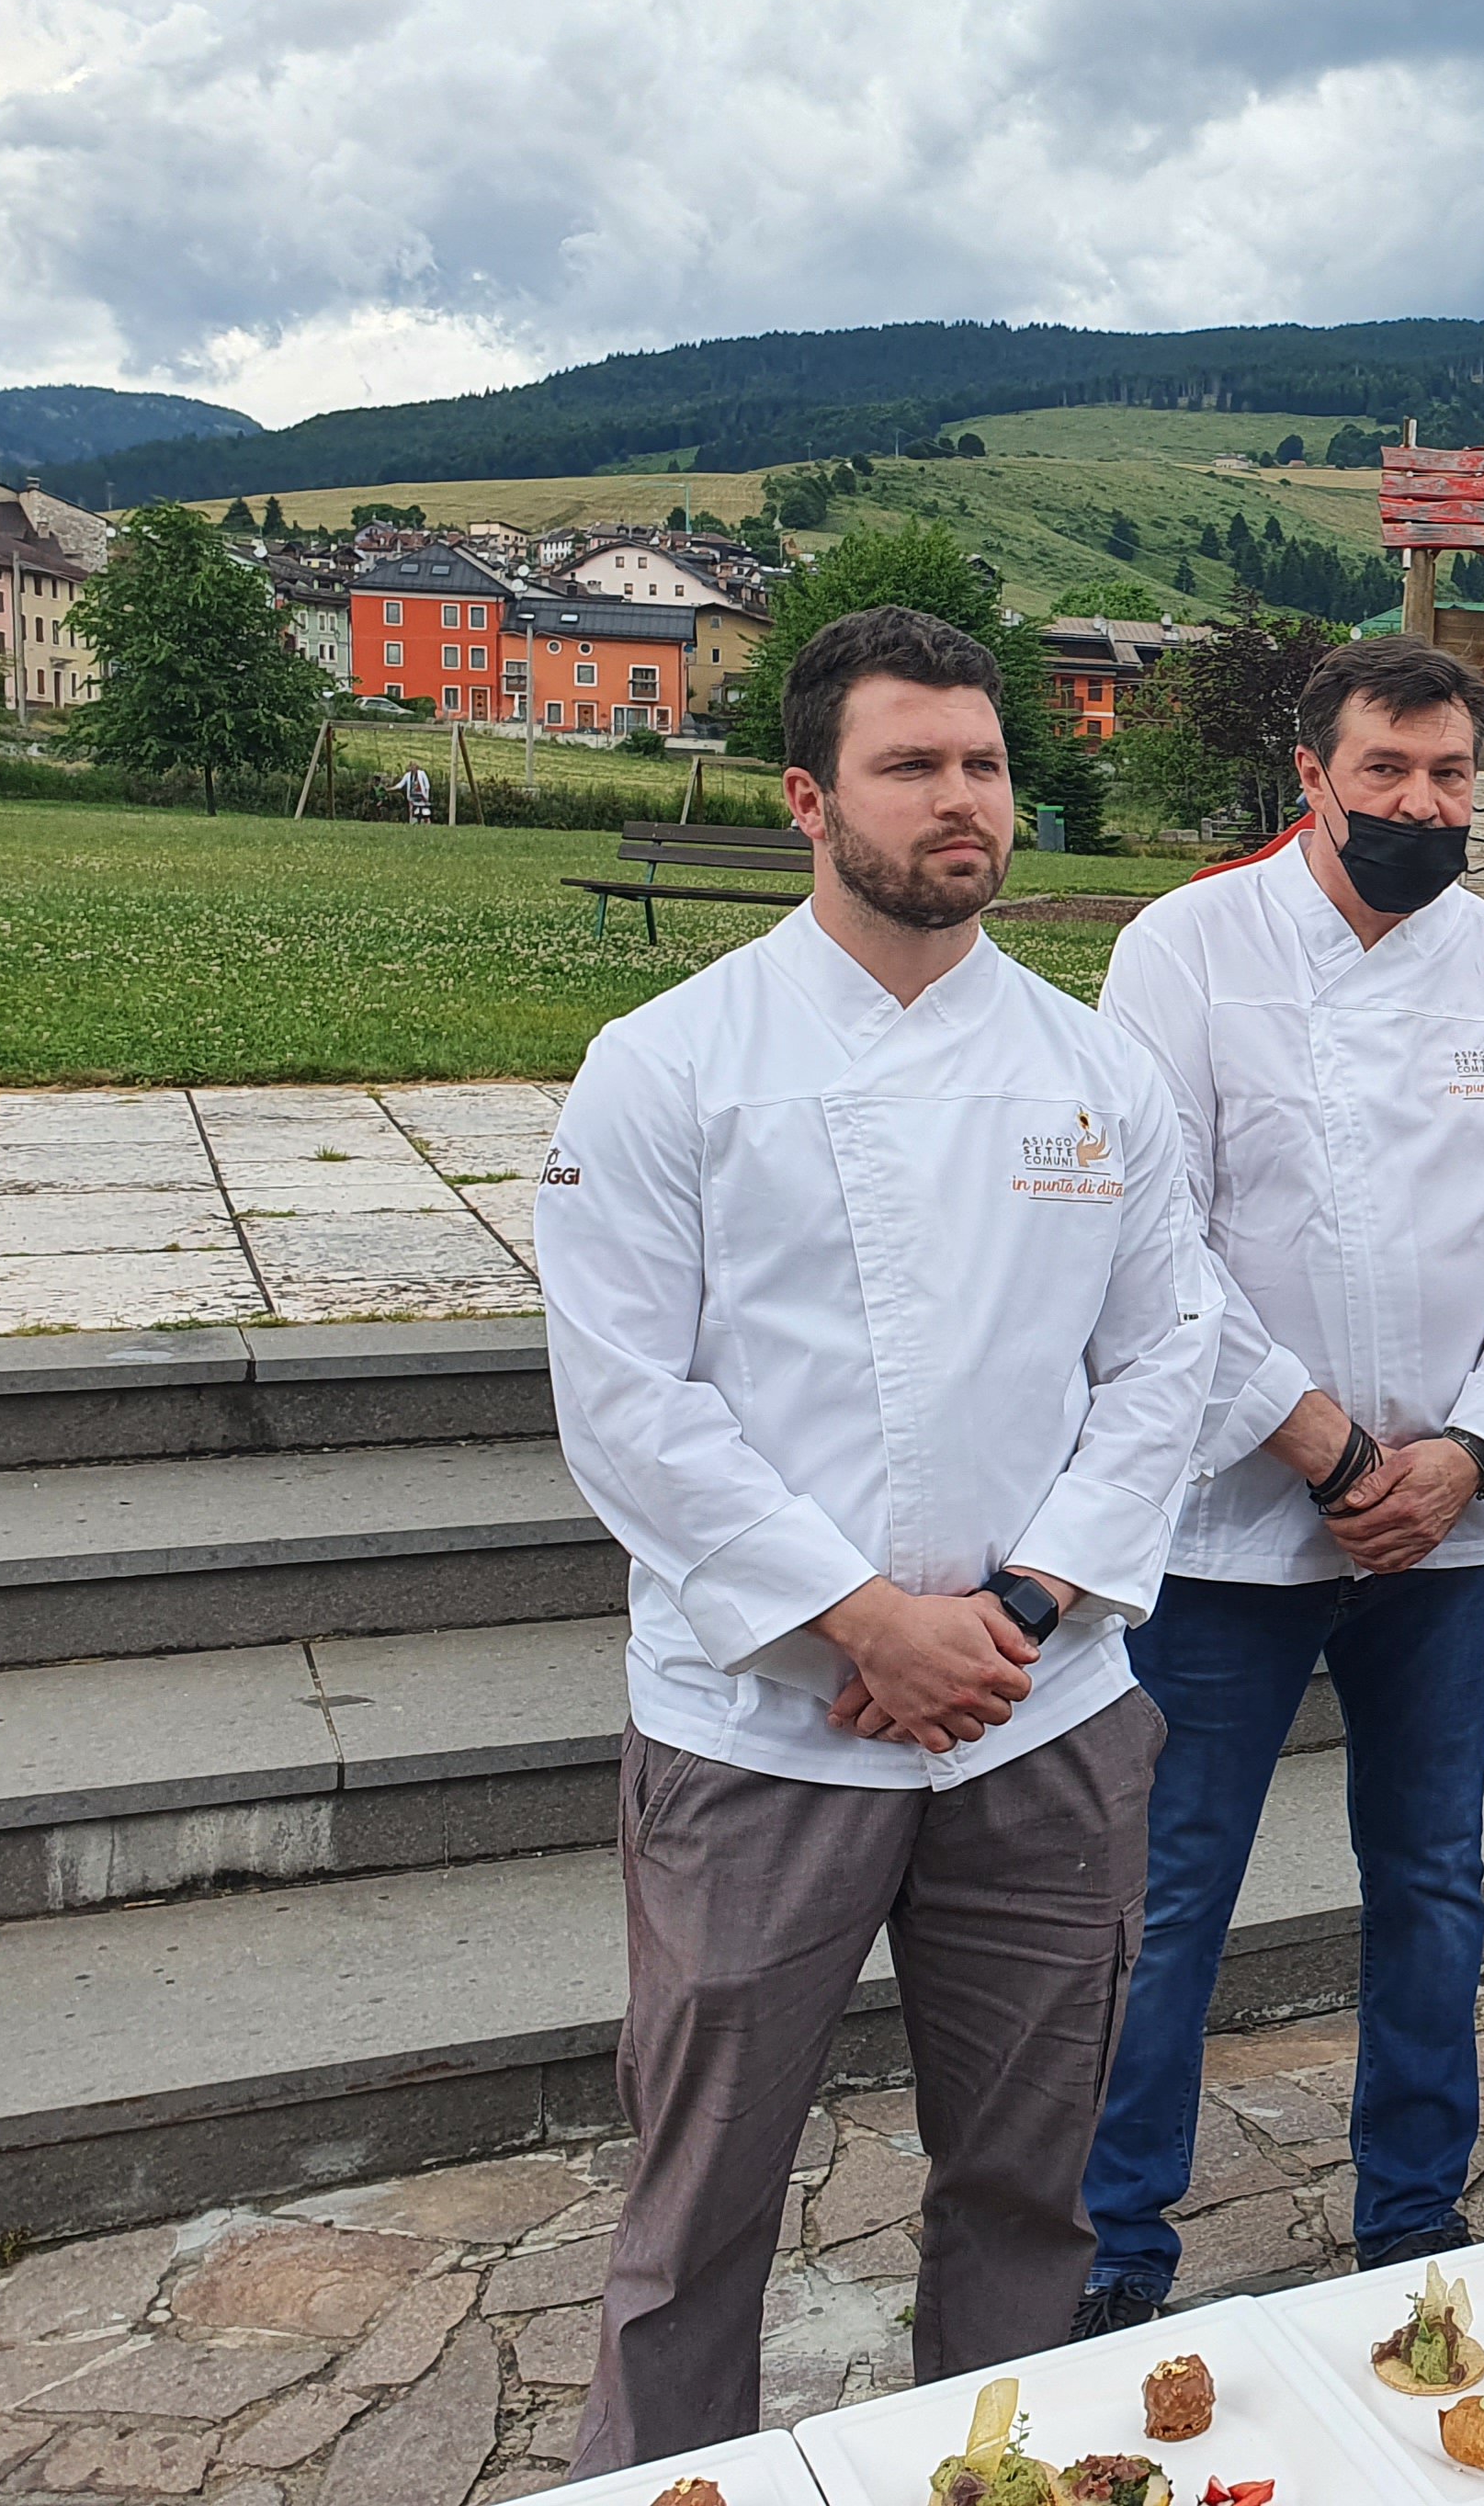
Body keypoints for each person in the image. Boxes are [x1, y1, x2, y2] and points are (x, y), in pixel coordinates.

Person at [539, 607, 1213, 2475]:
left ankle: (983, 2465)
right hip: (765, 1733)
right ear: (806, 799)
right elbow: (629, 1404)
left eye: (983, 763)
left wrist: (1014, 1605)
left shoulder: (1096, 1073)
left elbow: (1170, 1355)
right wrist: (859, 1624)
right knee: (698, 2219)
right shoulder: (669, 1066)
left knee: (1027, 2187)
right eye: (911, 765)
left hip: (1043, 1711)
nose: (960, 799)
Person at [1076, 640, 1484, 2327]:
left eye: (1450, 774)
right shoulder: (1188, 946)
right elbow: (1148, 1231)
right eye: (1385, 769)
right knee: (1173, 1893)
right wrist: (1320, 1440)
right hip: (1237, 1517)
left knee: (1434, 1877)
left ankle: (1409, 2216)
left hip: (1444, 1526)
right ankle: (1115, 2250)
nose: (1419, 802)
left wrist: (1467, 1450)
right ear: (1311, 769)